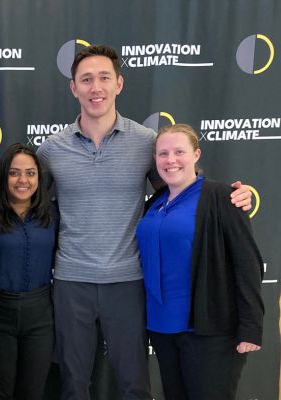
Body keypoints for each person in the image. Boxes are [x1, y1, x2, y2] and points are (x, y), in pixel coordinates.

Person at [35, 45, 253, 400]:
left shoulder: (146, 142)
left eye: (104, 78)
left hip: (129, 281)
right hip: (71, 281)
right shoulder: (50, 149)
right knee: (73, 385)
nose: (96, 87)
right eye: (86, 80)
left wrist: (227, 196)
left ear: (119, 84)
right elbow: (29, 208)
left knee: (135, 385)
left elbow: (181, 191)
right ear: (73, 88)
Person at [136, 124, 264, 400]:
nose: (170, 160)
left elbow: (247, 263)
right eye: (163, 153)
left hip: (209, 330)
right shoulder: (155, 202)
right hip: (162, 328)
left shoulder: (222, 197)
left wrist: (250, 327)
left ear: (196, 154)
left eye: (179, 152)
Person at [0, 143, 58, 400]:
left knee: (33, 392)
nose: (23, 180)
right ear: (3, 176)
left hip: (41, 316)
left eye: (30, 173)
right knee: (0, 392)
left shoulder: (52, 214)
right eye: (14, 173)